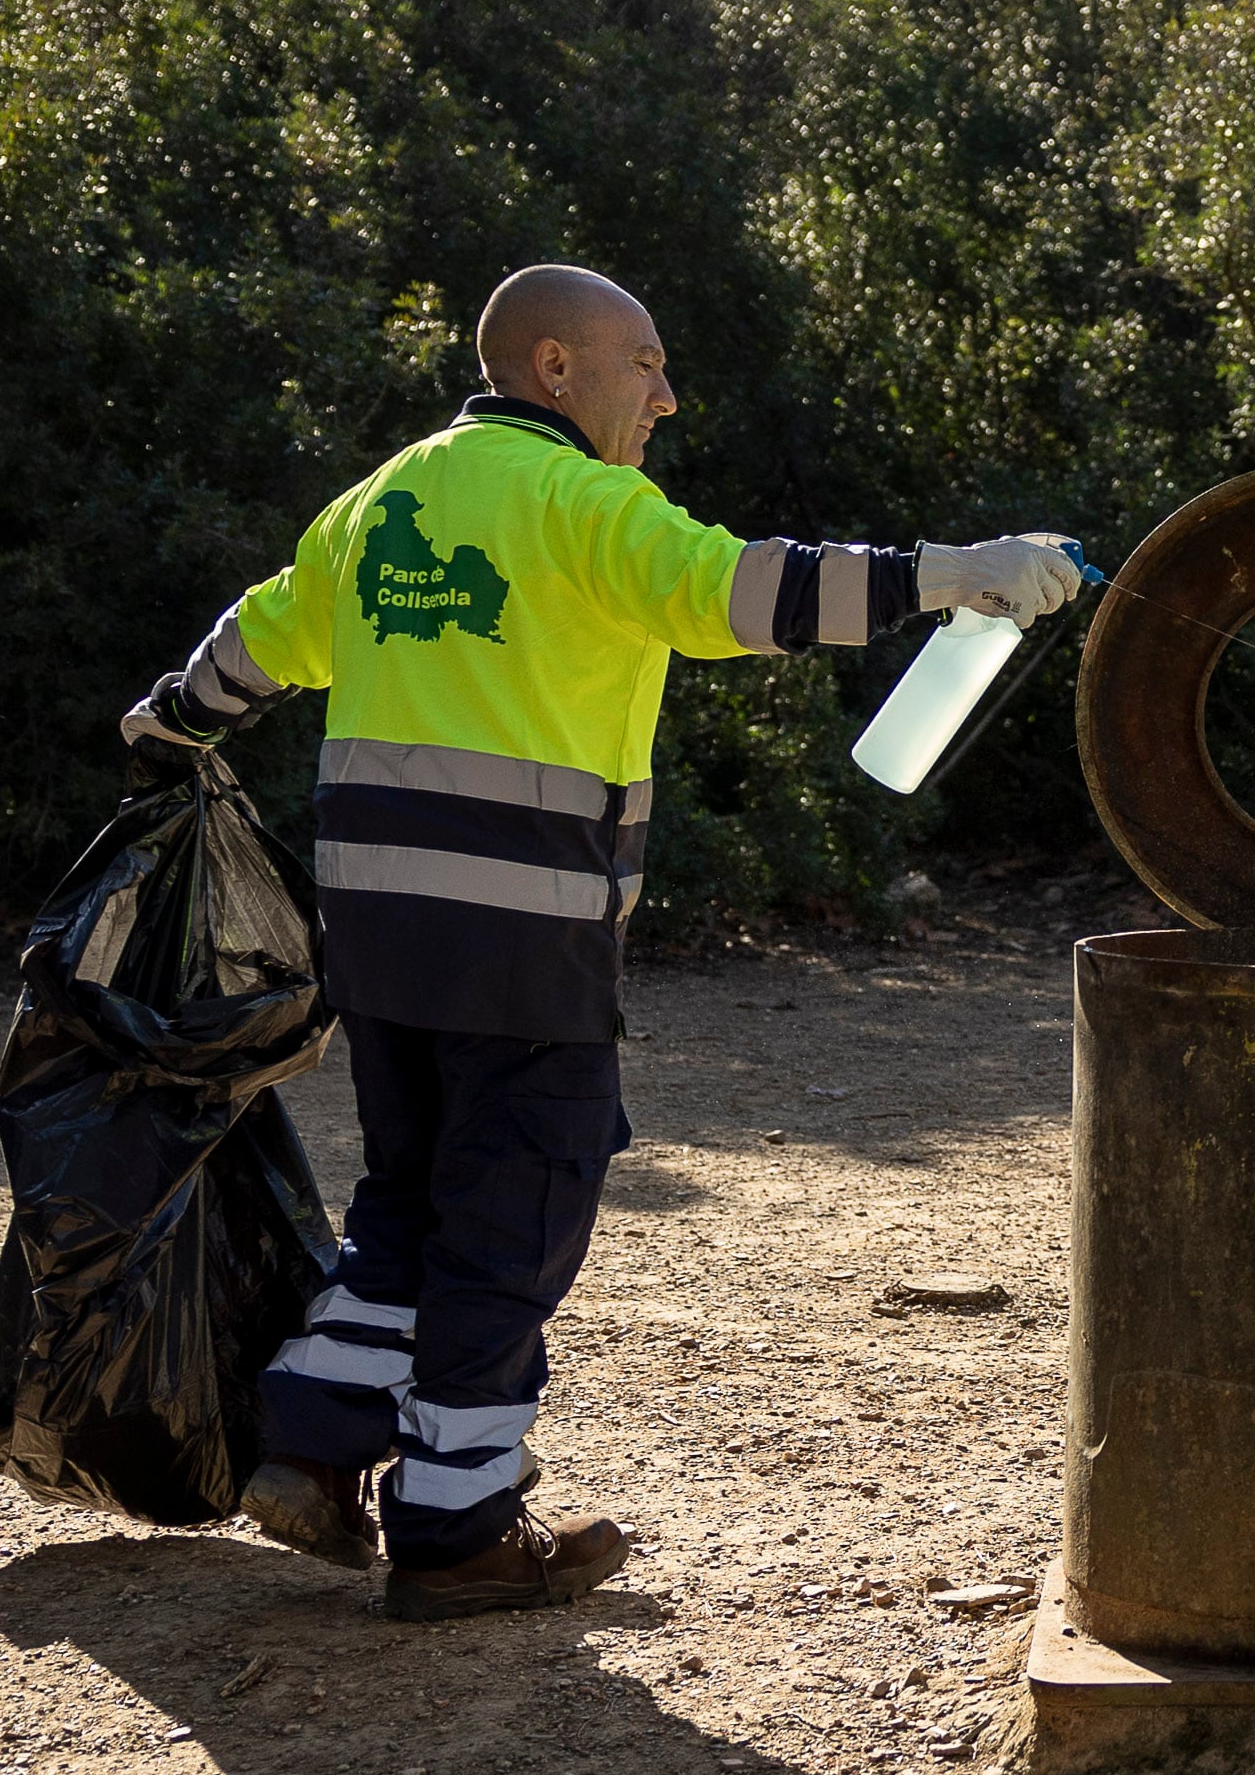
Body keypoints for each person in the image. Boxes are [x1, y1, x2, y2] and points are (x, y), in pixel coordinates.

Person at [118, 265, 1085, 1621]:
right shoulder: (582, 503)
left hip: (378, 937)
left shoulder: (380, 499)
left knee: (412, 1190)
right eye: (648, 362)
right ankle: (456, 1532)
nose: (667, 395)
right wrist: (953, 576)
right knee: (513, 1217)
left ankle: (313, 1447)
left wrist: (169, 718)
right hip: (524, 935)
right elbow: (746, 592)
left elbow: (265, 630)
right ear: (557, 369)